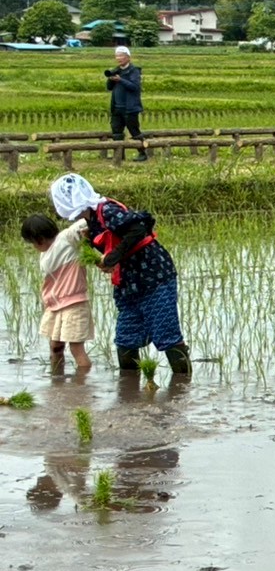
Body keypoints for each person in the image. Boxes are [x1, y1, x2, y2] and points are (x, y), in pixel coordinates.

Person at [49, 173, 190, 377]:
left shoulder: (107, 211)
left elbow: (138, 230)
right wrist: (103, 255)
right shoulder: (91, 220)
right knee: (126, 339)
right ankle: (129, 391)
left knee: (166, 333)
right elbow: (114, 243)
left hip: (154, 276)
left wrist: (113, 257)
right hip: (128, 283)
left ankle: (183, 388)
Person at [20, 212, 93, 373]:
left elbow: (87, 220)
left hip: (74, 304)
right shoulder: (44, 254)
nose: (34, 247)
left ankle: (82, 384)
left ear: (39, 240)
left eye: (32, 243)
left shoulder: (67, 239)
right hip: (55, 306)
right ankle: (56, 380)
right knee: (55, 346)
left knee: (76, 348)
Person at [104, 46, 147, 161]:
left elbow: (135, 87)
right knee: (116, 132)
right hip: (117, 107)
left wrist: (121, 80)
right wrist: (110, 79)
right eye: (117, 56)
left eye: (121, 56)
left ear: (128, 57)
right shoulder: (116, 70)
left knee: (135, 132)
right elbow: (109, 88)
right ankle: (119, 155)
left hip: (130, 108)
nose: (119, 58)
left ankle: (143, 153)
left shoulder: (134, 71)